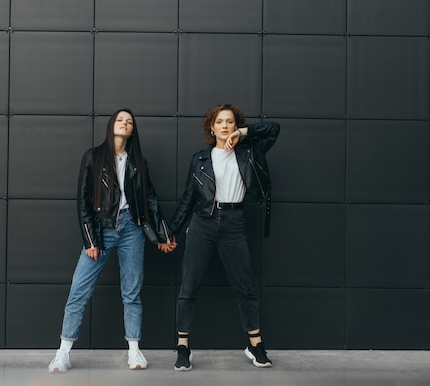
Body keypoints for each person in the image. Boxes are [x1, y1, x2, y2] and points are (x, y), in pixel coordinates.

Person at [48, 109, 176, 373]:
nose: (125, 123)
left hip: (132, 228)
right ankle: (62, 353)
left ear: (132, 130)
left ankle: (134, 351)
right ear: (111, 126)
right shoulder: (93, 157)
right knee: (78, 291)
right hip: (101, 229)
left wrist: (161, 236)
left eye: (129, 122)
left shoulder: (139, 162)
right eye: (120, 120)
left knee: (132, 292)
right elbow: (83, 201)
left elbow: (149, 201)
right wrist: (90, 240)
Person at [169, 103, 280, 371]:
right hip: (202, 223)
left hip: (234, 221)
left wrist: (243, 134)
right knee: (188, 287)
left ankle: (255, 345)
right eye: (220, 121)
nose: (225, 126)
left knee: (245, 288)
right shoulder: (200, 159)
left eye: (230, 121)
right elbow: (188, 197)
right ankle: (183, 347)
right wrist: (170, 232)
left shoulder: (250, 152)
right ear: (211, 126)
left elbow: (273, 130)